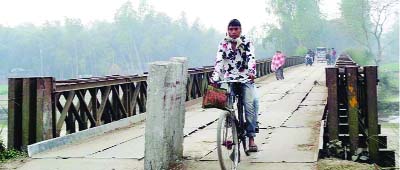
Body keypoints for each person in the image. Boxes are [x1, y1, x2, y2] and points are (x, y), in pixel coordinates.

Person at [210, 19, 258, 152]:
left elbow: (251, 58)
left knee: (249, 107)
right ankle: (230, 127)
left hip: (245, 78)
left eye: (235, 29)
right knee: (226, 106)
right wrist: (214, 78)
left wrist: (252, 72)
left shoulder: (247, 42)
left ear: (240, 30)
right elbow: (219, 61)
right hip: (229, 78)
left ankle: (251, 138)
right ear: (227, 30)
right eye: (230, 29)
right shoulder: (223, 43)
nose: (233, 32)